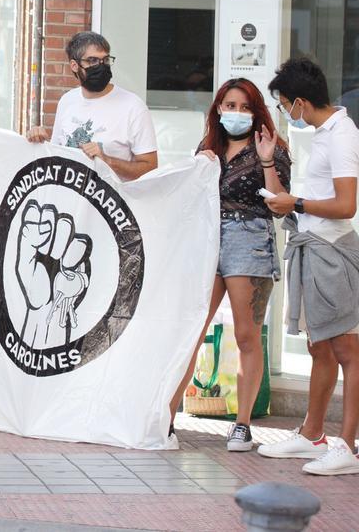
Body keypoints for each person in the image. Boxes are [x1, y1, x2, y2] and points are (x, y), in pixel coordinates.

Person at [167, 78, 291, 452]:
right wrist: (196, 167)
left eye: (244, 106)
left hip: (249, 237)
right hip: (207, 238)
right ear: (218, 108)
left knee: (246, 335)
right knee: (191, 329)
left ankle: (242, 425)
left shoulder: (271, 147)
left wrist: (267, 158)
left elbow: (279, 201)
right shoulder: (208, 147)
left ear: (256, 111)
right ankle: (166, 417)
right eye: (229, 105)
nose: (236, 113)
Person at [260, 57, 359, 476]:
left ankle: (347, 447)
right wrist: (268, 161)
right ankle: (312, 433)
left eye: (284, 105)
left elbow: (346, 205)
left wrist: (296, 203)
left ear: (300, 101)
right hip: (314, 247)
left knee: (348, 351)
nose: (285, 112)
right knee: (320, 348)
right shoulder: (322, 133)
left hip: (333, 252)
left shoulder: (342, 136)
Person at [26, 31, 158, 181]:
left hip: (112, 202)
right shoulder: (67, 101)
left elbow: (150, 168)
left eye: (105, 60)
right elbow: (58, 156)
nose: (100, 66)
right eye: (92, 60)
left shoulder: (133, 107)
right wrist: (39, 141)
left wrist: (107, 160)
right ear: (75, 66)